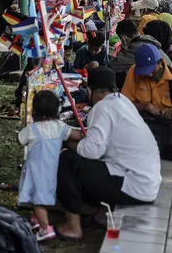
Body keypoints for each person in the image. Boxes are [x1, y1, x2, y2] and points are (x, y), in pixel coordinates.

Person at [56, 67, 161, 240]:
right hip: (147, 184)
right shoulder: (122, 101)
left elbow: (91, 151)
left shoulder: (102, 107)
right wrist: (75, 134)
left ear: (92, 91)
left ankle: (73, 227)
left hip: (133, 186)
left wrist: (67, 140)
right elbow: (100, 136)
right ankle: (98, 212)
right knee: (78, 160)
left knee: (66, 160)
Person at [18, 91, 83, 241]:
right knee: (44, 196)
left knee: (38, 201)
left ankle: (45, 228)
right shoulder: (60, 126)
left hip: (36, 171)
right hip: (52, 170)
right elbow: (76, 135)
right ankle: (36, 220)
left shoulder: (32, 129)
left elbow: (20, 139)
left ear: (34, 111)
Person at [122, 44, 172, 162]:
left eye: (151, 70)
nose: (148, 74)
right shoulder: (134, 72)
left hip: (168, 136)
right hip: (139, 131)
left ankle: (151, 150)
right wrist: (145, 106)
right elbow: (123, 105)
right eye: (144, 71)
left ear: (160, 63)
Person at [108, 19, 170, 89]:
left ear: (123, 38)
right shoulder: (150, 42)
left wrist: (124, 48)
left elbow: (112, 65)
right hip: (168, 83)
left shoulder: (134, 48)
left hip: (159, 86)